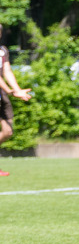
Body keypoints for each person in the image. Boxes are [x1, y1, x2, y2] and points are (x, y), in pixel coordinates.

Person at [0, 23, 34, 177]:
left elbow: (6, 71)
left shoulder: (3, 51)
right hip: (4, 92)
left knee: (8, 131)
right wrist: (10, 91)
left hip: (2, 95)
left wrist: (17, 89)